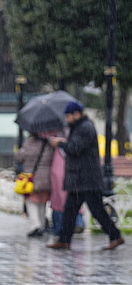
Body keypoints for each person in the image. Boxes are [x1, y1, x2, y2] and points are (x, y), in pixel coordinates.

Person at [46, 101, 124, 251]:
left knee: (97, 210)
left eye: (69, 116)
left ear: (77, 114)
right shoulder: (79, 128)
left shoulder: (85, 128)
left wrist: (60, 144)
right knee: (70, 210)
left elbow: (74, 148)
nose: (67, 120)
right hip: (80, 180)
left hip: (87, 179)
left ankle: (115, 235)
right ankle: (64, 239)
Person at [15, 131, 55, 237]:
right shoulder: (48, 145)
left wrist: (17, 150)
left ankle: (35, 226)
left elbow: (20, 157)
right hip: (46, 178)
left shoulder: (28, 144)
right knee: (42, 202)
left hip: (32, 177)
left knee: (31, 201)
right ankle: (41, 225)